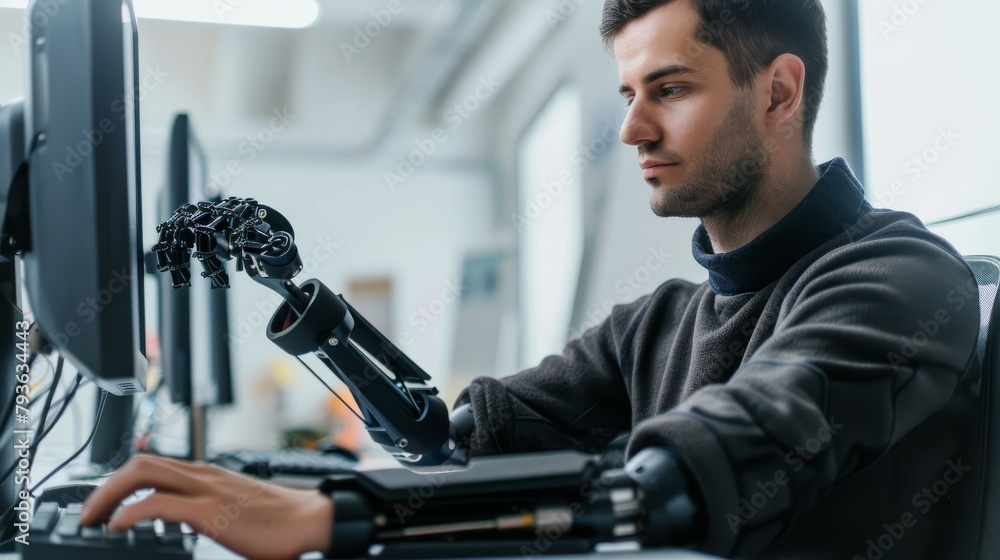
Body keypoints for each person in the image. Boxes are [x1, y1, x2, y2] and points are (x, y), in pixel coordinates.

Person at [79, 1, 983, 558]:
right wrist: (299, 298)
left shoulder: (898, 279)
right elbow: (449, 445)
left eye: (668, 90)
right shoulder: (659, 325)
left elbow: (685, 482)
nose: (632, 131)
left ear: (779, 94)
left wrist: (337, 518)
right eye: (628, 95)